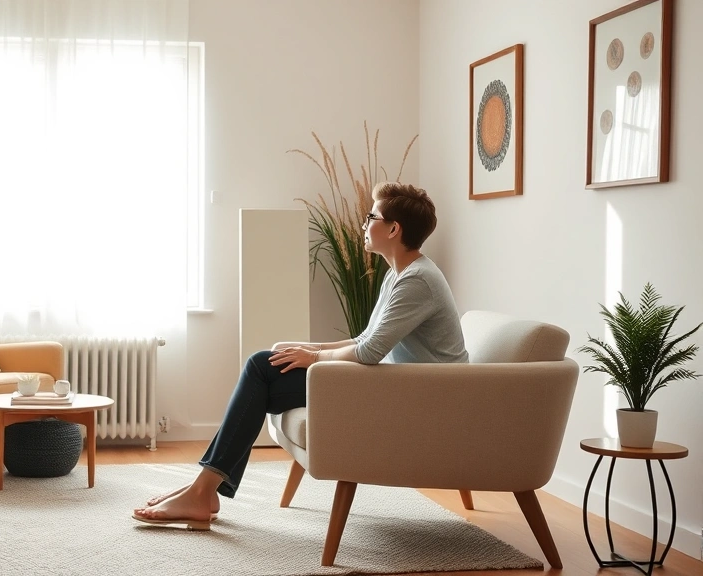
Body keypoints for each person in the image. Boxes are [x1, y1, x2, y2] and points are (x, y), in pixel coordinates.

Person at [132, 182, 469, 530]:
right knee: (265, 365)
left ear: (394, 229)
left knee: (261, 368)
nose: (364, 224)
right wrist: (312, 349)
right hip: (401, 385)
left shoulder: (417, 282)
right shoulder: (399, 273)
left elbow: (369, 351)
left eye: (372, 216)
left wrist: (313, 359)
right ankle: (204, 488)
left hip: (423, 399)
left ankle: (203, 490)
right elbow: (364, 338)